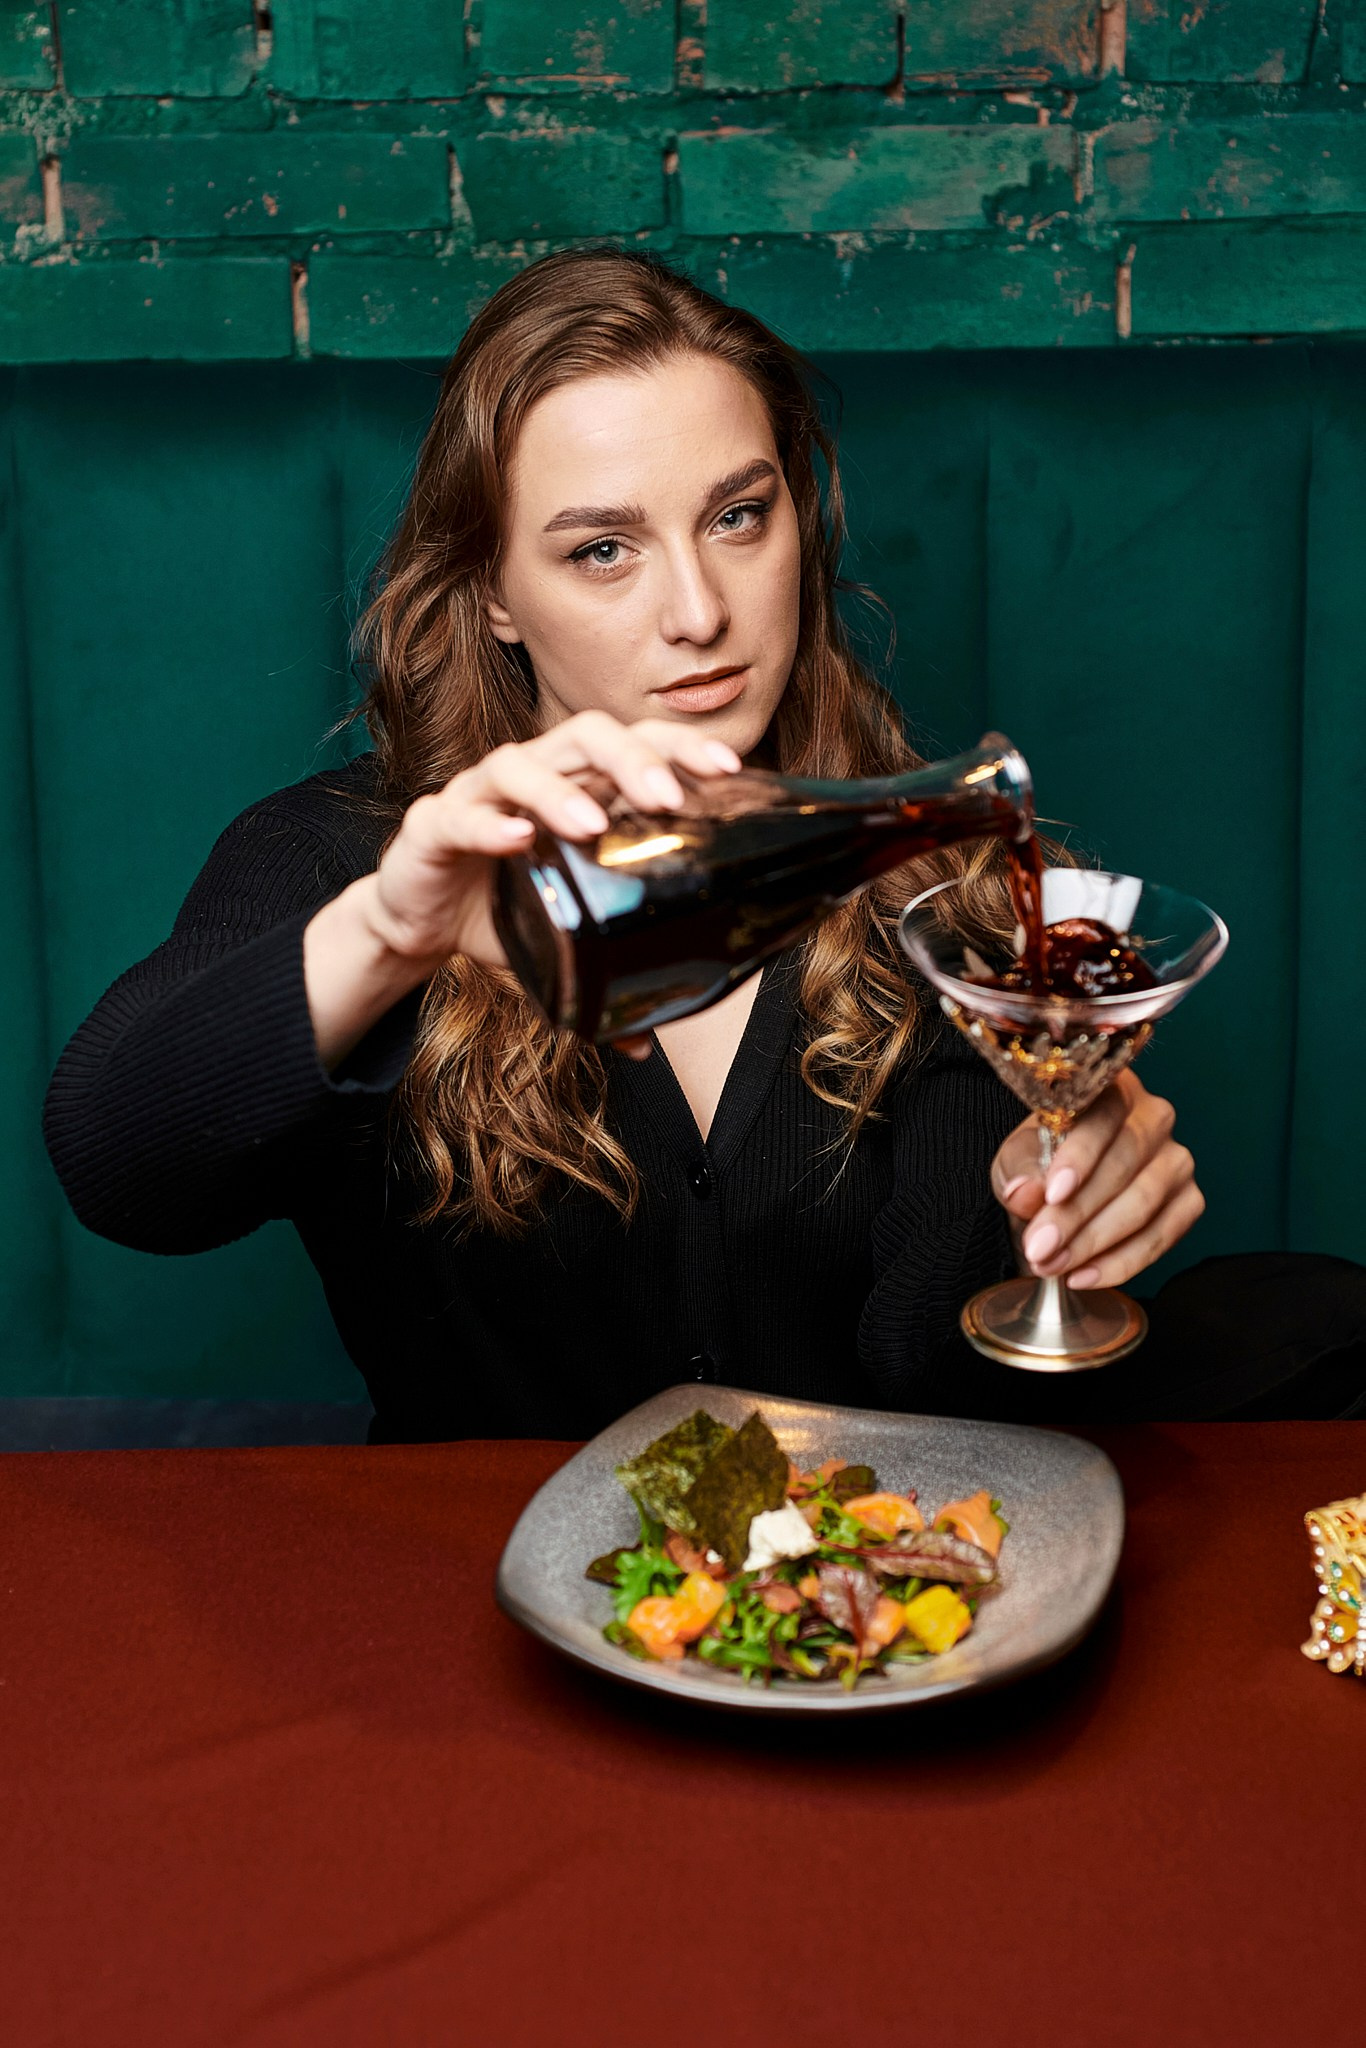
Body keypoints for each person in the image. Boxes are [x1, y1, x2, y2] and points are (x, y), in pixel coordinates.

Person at [43, 249, 1364, 1437]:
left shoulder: (945, 893)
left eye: (737, 516)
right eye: (601, 550)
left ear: (799, 521)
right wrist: (391, 934)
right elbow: (120, 1171)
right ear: (493, 592)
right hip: (450, 1607)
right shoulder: (338, 863)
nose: (698, 613)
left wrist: (1043, 1229)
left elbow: (939, 1389)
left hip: (854, 1598)